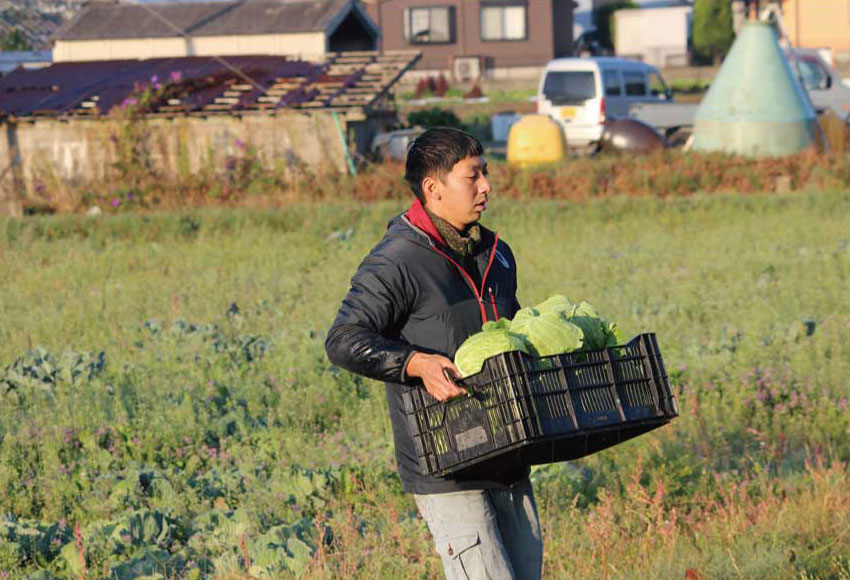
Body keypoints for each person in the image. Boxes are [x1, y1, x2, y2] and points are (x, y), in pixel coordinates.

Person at [325, 127, 542, 579]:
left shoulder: (496, 255)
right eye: (473, 176)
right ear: (433, 188)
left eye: (486, 173)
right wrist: (413, 363)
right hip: (447, 462)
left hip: (509, 454)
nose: (487, 186)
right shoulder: (397, 260)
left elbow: (512, 332)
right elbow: (344, 338)